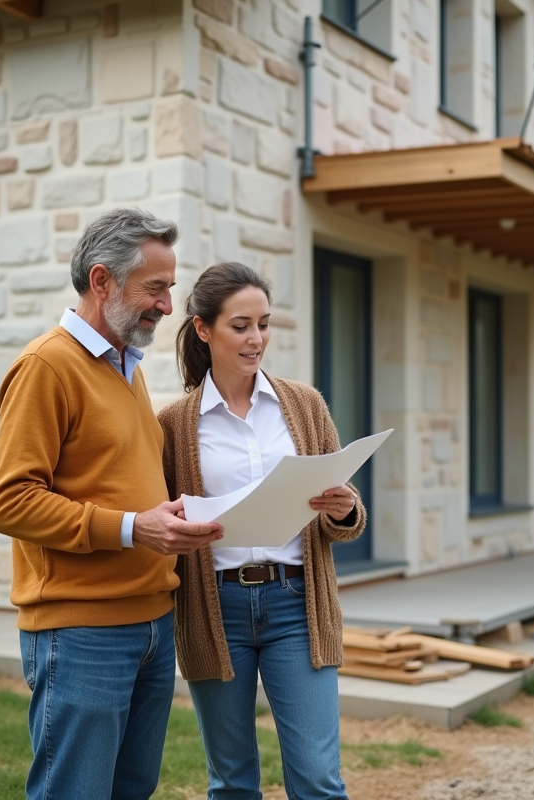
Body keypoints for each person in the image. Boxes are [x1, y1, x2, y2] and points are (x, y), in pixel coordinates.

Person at [0, 208, 222, 800]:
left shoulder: (128, 368)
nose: (169, 306)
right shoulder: (47, 366)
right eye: (156, 288)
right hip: (82, 632)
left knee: (130, 792)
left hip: (151, 625)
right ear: (101, 282)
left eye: (170, 288)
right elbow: (10, 503)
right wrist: (131, 529)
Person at [158, 262, 366, 800]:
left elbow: (342, 517)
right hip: (215, 609)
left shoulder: (304, 405)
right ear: (204, 329)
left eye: (264, 324)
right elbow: (162, 522)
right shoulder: (173, 425)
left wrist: (342, 508)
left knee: (319, 779)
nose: (257, 340)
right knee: (231, 782)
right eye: (241, 325)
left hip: (296, 603)